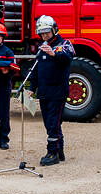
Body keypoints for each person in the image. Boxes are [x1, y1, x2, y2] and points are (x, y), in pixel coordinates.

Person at [32, 14, 74, 166]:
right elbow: (35, 70)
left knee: (53, 123)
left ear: (54, 30)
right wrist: (31, 88)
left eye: (47, 32)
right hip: (43, 92)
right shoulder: (41, 48)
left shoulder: (65, 44)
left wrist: (54, 53)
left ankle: (52, 153)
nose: (45, 35)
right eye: (42, 33)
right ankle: (59, 150)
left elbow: (68, 57)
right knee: (49, 123)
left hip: (58, 92)